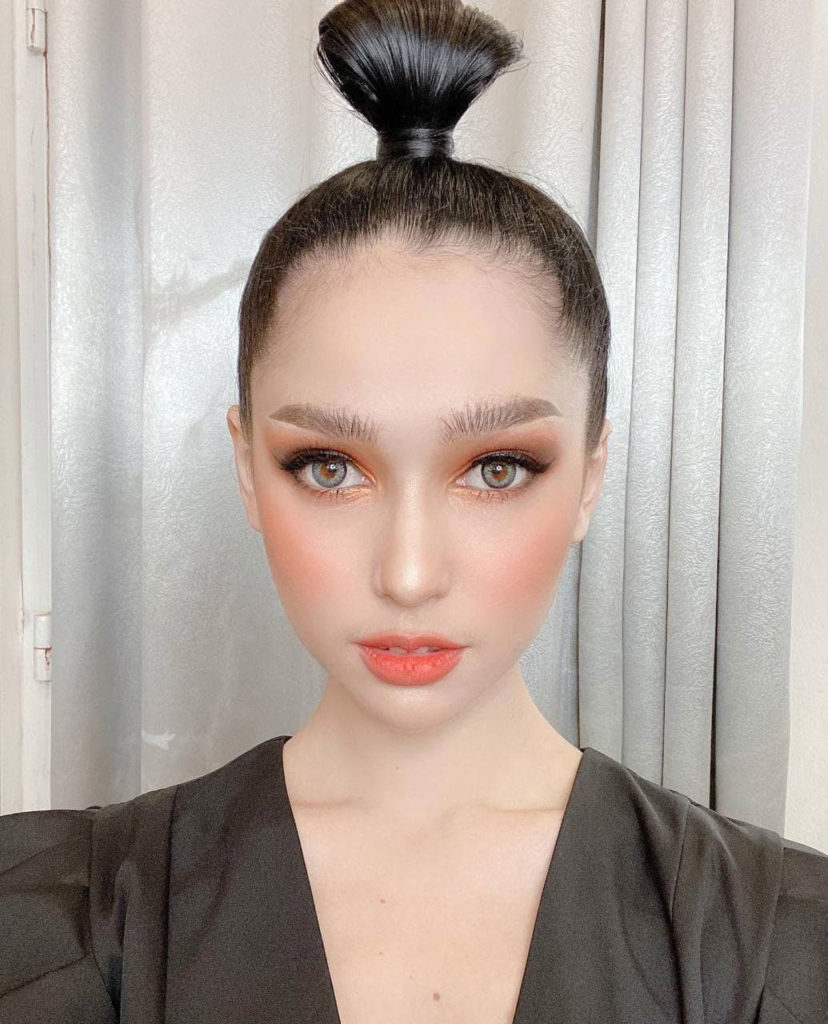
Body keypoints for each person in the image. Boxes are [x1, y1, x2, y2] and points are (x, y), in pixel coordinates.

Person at [2, 0, 826, 1021]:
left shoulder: (782, 949)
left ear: (591, 474)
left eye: (496, 469)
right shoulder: (47, 927)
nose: (408, 572)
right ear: (248, 469)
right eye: (328, 468)